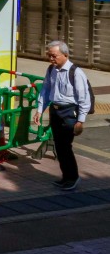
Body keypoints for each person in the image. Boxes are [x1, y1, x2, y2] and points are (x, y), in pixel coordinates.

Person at [33, 40, 91, 191]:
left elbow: (84, 98)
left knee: (65, 146)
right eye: (49, 55)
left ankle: (73, 177)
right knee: (59, 145)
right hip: (55, 110)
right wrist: (40, 110)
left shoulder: (76, 73)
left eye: (54, 56)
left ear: (65, 55)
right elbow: (46, 89)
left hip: (69, 112)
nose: (51, 59)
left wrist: (80, 121)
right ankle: (66, 177)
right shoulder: (51, 69)